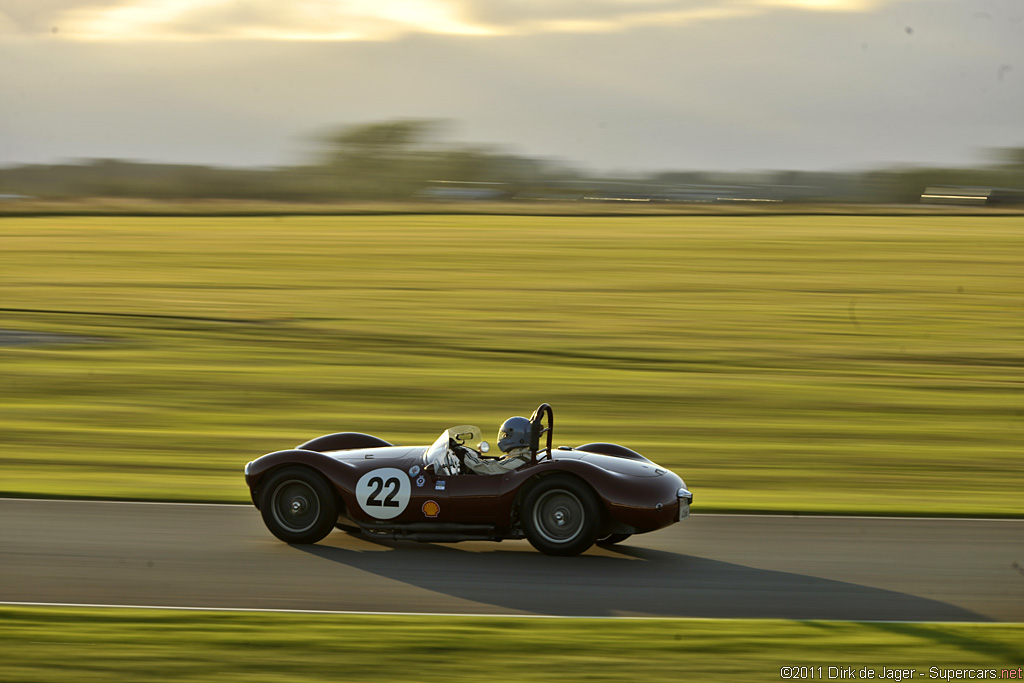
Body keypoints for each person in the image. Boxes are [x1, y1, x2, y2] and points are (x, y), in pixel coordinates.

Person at [458, 416, 533, 475]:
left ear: (517, 437)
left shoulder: (517, 461)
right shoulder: (523, 456)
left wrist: (466, 455)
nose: (503, 437)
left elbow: (486, 467)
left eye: (506, 435)